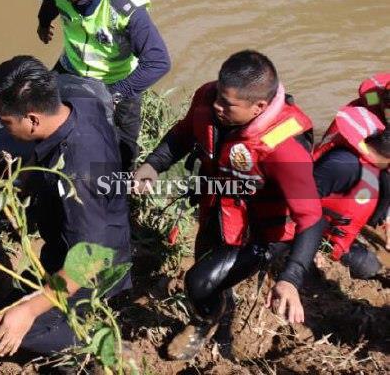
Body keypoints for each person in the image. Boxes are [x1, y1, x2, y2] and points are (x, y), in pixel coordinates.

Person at [134, 50, 324, 361]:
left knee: (198, 282)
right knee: (207, 270)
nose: (217, 107)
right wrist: (153, 164)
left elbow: (312, 218)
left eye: (228, 104)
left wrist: (290, 278)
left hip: (261, 233)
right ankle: (219, 308)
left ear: (259, 107)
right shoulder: (209, 98)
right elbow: (184, 132)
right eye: (218, 97)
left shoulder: (284, 147)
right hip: (219, 206)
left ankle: (203, 323)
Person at [0, 56, 129, 357]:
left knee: (8, 329)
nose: (2, 128)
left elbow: (92, 259)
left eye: (6, 122)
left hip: (96, 266)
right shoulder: (80, 102)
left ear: (34, 119)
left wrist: (29, 312)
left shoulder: (79, 175)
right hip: (70, 239)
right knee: (15, 302)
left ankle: (89, 341)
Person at [29, 0, 170, 170]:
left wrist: (117, 93)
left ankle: (119, 188)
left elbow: (158, 62)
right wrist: (43, 23)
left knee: (122, 145)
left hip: (117, 80)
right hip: (71, 67)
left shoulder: (126, 9)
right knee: (45, 116)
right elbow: (51, 1)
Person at [313, 83, 389, 280]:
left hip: (370, 172)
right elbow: (296, 206)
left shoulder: (377, 108)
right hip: (323, 226)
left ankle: (379, 219)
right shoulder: (343, 165)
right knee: (370, 268)